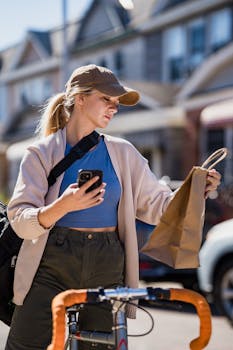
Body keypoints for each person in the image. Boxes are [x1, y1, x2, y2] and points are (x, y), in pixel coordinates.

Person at [5, 64, 221, 350]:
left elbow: (158, 207)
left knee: (102, 346)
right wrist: (63, 206)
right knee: (24, 347)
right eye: (107, 99)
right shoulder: (40, 153)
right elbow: (20, 219)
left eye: (117, 103)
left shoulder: (123, 152)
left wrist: (195, 192)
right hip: (50, 264)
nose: (114, 108)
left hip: (107, 264)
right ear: (79, 98)